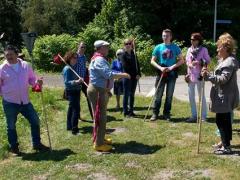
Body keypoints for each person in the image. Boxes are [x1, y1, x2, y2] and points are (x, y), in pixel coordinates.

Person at [0, 45, 50, 155]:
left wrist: (37, 82)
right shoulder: (2, 68)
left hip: (25, 101)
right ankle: (14, 147)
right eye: (6, 55)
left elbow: (32, 79)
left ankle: (36, 144)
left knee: (35, 121)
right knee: (11, 125)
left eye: (11, 54)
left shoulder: (25, 65)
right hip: (10, 102)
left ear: (17, 54)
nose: (9, 57)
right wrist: (3, 95)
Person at [87, 40, 130, 152]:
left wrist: (106, 89)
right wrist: (123, 75)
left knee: (100, 116)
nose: (108, 49)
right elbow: (108, 74)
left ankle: (100, 139)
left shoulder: (97, 58)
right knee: (101, 117)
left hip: (100, 90)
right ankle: (99, 144)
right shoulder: (100, 59)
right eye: (106, 47)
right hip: (97, 91)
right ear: (100, 48)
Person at [202, 33, 239, 154]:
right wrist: (207, 74)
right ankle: (225, 143)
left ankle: (226, 147)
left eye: (219, 47)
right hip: (223, 95)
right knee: (224, 121)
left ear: (226, 48)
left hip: (225, 96)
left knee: (222, 121)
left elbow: (223, 79)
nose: (217, 49)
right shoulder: (223, 60)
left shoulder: (229, 62)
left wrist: (209, 76)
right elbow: (218, 76)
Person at [150, 29, 184, 121]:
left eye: (167, 36)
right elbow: (152, 61)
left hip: (172, 73)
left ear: (171, 37)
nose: (165, 37)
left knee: (169, 95)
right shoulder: (158, 47)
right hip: (161, 72)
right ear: (162, 36)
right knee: (158, 94)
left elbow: (182, 60)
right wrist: (160, 68)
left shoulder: (175, 47)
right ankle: (155, 113)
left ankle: (166, 114)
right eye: (164, 35)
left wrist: (172, 67)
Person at [185, 33, 211, 122]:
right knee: (191, 96)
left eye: (194, 40)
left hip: (200, 75)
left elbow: (208, 61)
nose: (192, 41)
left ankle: (203, 116)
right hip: (191, 75)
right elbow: (187, 61)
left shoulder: (203, 49)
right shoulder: (189, 49)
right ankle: (194, 115)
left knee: (201, 96)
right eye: (191, 39)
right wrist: (189, 65)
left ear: (198, 40)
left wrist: (199, 62)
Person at [62, 51, 83, 135]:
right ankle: (75, 129)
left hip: (76, 90)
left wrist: (79, 81)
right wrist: (77, 81)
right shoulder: (67, 69)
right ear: (69, 58)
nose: (75, 59)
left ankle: (69, 126)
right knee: (76, 110)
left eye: (76, 58)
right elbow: (67, 82)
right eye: (74, 58)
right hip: (72, 91)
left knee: (71, 109)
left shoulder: (72, 67)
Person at [121, 38, 141, 117]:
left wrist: (138, 73)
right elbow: (125, 67)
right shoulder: (123, 55)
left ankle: (131, 110)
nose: (128, 45)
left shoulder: (134, 54)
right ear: (124, 45)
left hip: (134, 78)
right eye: (126, 44)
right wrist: (133, 74)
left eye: (129, 43)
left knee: (132, 94)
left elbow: (137, 65)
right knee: (126, 94)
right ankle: (125, 111)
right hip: (127, 77)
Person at [76, 42, 93, 119]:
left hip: (84, 80)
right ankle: (78, 116)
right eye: (81, 47)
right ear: (78, 47)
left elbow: (84, 67)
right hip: (76, 80)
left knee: (89, 96)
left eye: (84, 47)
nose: (83, 49)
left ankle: (93, 116)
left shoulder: (84, 56)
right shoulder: (75, 56)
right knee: (77, 99)